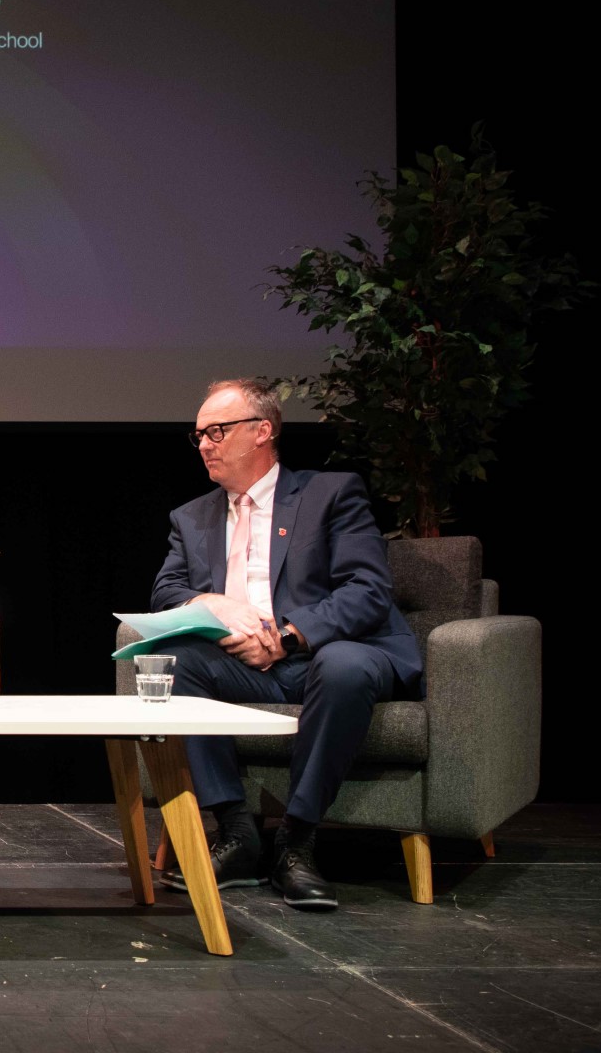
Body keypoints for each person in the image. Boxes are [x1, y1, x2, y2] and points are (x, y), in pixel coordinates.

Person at [149, 378, 423, 910]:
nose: (203, 443)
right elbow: (166, 590)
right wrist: (216, 605)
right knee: (174, 660)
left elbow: (367, 590)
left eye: (217, 431)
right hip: (239, 665)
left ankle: (297, 840)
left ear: (263, 431)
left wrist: (288, 637)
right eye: (199, 434)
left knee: (345, 665)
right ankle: (237, 833)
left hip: (322, 655)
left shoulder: (330, 494)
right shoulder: (193, 516)